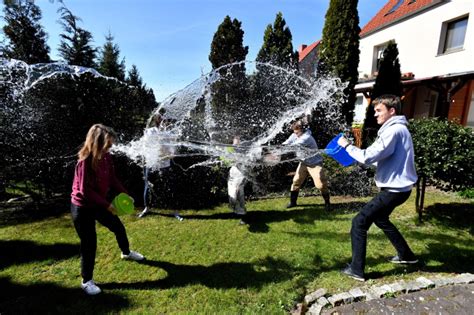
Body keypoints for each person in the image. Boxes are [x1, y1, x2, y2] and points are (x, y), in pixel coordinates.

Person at [337, 94, 418, 282]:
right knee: (381, 219)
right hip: (400, 189)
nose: (375, 114)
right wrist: (361, 159)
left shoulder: (394, 130)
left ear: (392, 111)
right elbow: (384, 158)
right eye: (374, 111)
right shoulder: (397, 129)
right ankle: (406, 255)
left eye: (378, 110)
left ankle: (356, 270)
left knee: (359, 222)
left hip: (393, 191)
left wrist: (347, 146)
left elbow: (368, 155)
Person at [71, 124, 144, 296]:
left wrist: (125, 194)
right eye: (108, 145)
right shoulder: (85, 161)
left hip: (98, 203)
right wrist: (107, 205)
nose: (110, 148)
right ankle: (86, 281)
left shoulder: (106, 157)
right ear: (97, 142)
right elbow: (85, 191)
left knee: (118, 227)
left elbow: (112, 179)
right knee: (89, 244)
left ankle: (126, 253)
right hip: (82, 207)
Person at [138, 113, 182, 220]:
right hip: (151, 163)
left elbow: (173, 148)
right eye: (162, 119)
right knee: (148, 186)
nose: (165, 121)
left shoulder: (169, 133)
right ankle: (147, 208)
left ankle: (174, 210)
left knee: (170, 187)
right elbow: (146, 146)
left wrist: (173, 153)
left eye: (166, 120)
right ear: (158, 120)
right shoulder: (151, 131)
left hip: (165, 164)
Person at [283, 120, 330, 211]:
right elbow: (287, 142)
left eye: (297, 132)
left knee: (320, 185)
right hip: (303, 163)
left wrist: (283, 149)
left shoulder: (307, 137)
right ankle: (293, 203)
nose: (295, 134)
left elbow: (295, 146)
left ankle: (327, 203)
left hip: (314, 164)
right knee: (296, 181)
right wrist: (279, 147)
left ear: (302, 130)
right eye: (294, 132)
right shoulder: (295, 135)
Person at [227, 135, 247, 225]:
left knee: (239, 195)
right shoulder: (229, 150)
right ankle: (237, 211)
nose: (236, 145)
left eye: (238, 143)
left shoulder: (245, 151)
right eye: (234, 144)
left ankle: (243, 217)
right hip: (233, 174)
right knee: (232, 195)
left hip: (241, 175)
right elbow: (225, 161)